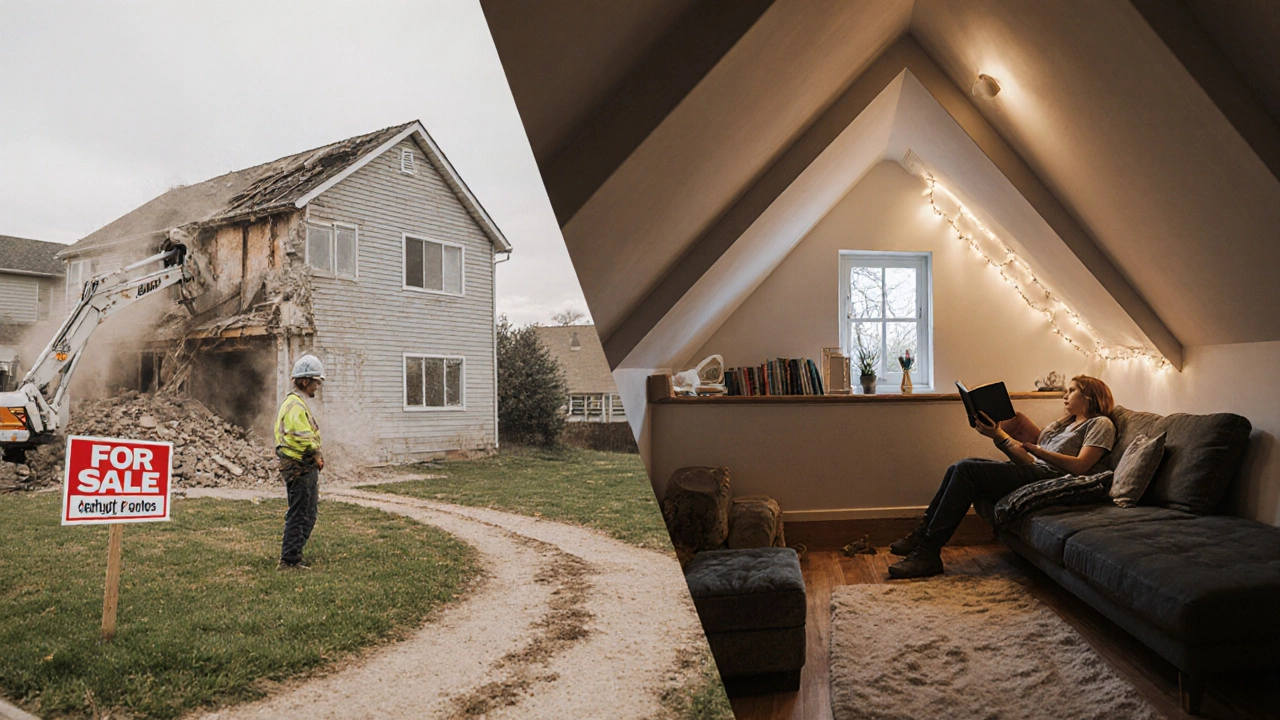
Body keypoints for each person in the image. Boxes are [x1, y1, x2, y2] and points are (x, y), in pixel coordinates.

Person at [887, 375, 1117, 579]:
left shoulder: (1100, 424)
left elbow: (1081, 466)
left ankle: (927, 553)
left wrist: (1038, 450)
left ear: (1089, 396)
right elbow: (1027, 462)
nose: (1065, 395)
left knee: (968, 469)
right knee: (960, 467)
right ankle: (922, 536)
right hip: (1036, 471)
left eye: (1072, 390)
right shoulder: (1063, 425)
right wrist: (997, 434)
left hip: (1053, 479)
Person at [275, 354, 325, 570]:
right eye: (316, 382)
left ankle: (295, 553)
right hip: (299, 466)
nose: (317, 387)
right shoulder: (295, 405)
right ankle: (289, 559)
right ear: (305, 381)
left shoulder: (296, 402)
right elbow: (301, 436)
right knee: (301, 512)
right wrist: (315, 453)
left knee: (308, 511)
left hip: (301, 465)